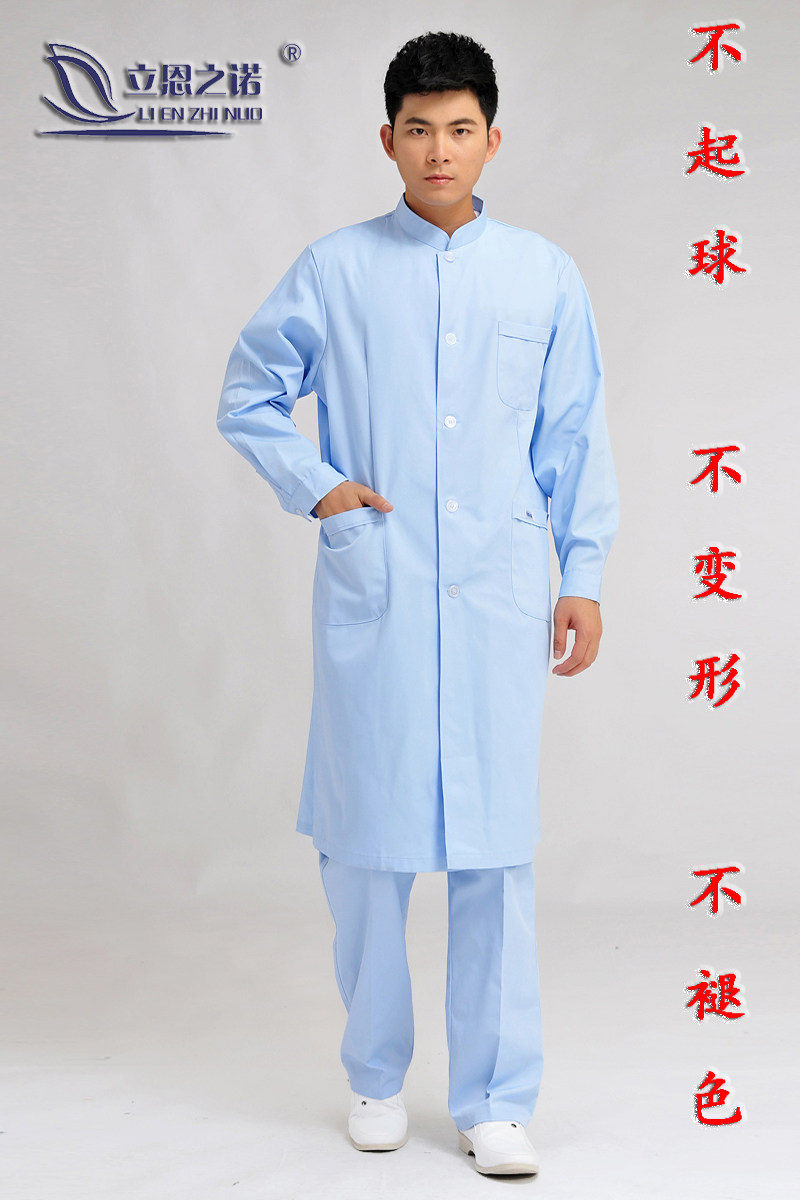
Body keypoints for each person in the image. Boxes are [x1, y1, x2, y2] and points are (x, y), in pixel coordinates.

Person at [217, 30, 619, 1178]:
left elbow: (573, 435)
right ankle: (375, 1078)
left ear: (491, 139)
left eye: (458, 129)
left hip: (499, 595)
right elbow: (248, 394)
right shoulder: (334, 269)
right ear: (385, 140)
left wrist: (581, 574)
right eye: (416, 129)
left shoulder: (541, 275)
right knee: (364, 852)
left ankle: (495, 1100)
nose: (437, 149)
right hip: (379, 592)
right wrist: (320, 486)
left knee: (493, 856)